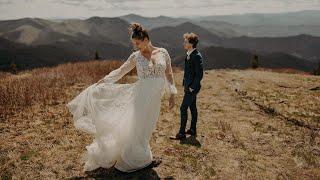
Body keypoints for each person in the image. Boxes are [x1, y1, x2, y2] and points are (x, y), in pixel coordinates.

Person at [66, 23, 177, 172]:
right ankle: (138, 158)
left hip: (155, 98)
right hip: (140, 97)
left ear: (146, 39)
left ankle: (141, 154)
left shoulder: (163, 52)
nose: (136, 47)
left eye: (138, 43)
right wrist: (104, 80)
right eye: (134, 44)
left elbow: (168, 73)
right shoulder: (136, 57)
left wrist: (172, 94)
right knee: (138, 127)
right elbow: (121, 71)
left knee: (148, 127)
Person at [175, 32, 204, 140]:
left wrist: (192, 87)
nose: (184, 43)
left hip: (192, 88)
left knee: (183, 108)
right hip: (188, 86)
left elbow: (199, 74)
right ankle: (192, 129)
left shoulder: (196, 56)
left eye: (186, 42)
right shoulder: (189, 54)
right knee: (192, 107)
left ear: (191, 44)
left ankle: (182, 133)